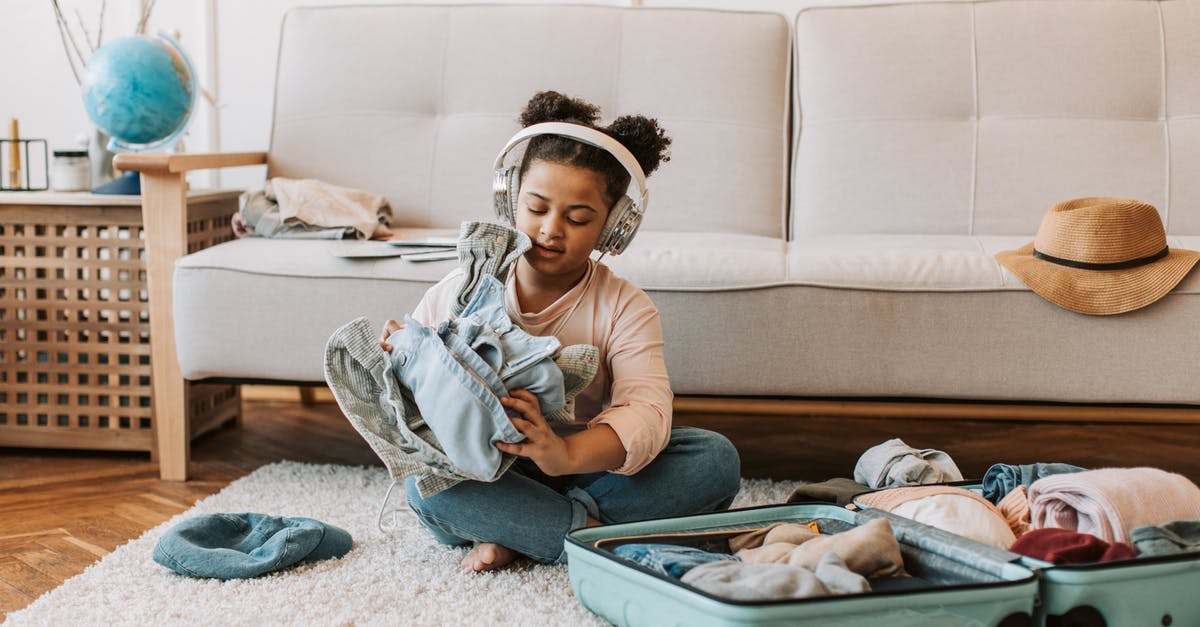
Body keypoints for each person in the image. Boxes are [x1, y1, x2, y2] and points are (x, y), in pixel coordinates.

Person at [379, 90, 742, 572]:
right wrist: (403, 357)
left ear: (613, 228)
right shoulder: (460, 288)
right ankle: (589, 537)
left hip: (588, 465)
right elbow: (414, 412)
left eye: (577, 218)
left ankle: (527, 532)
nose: (552, 229)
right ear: (508, 201)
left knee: (714, 458)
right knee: (425, 486)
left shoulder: (626, 306)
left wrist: (564, 452)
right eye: (537, 209)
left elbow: (647, 411)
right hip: (492, 473)